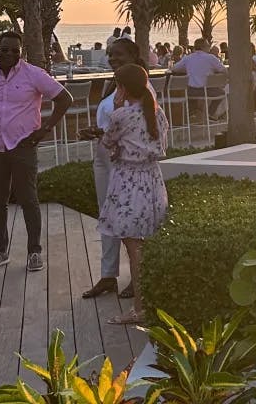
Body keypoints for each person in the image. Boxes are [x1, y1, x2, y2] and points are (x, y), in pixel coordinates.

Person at [0, 32, 73, 273]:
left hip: (23, 145)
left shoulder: (33, 74)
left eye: (15, 50)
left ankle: (34, 251)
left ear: (21, 51)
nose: (10, 54)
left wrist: (45, 129)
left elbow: (64, 99)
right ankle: (0, 251)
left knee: (28, 199)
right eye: (5, 49)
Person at [95, 63, 169, 325]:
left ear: (123, 88)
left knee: (133, 246)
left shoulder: (120, 116)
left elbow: (107, 143)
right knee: (146, 243)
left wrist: (116, 108)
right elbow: (163, 146)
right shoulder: (157, 114)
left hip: (128, 182)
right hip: (152, 180)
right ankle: (149, 301)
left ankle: (140, 307)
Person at [78, 38, 142, 300]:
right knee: (106, 218)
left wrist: (105, 133)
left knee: (128, 221)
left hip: (126, 163)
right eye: (110, 55)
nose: (113, 59)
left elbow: (139, 129)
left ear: (134, 57)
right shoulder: (112, 86)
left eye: (119, 55)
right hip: (104, 158)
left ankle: (137, 279)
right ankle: (108, 276)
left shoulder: (141, 88)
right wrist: (98, 133)